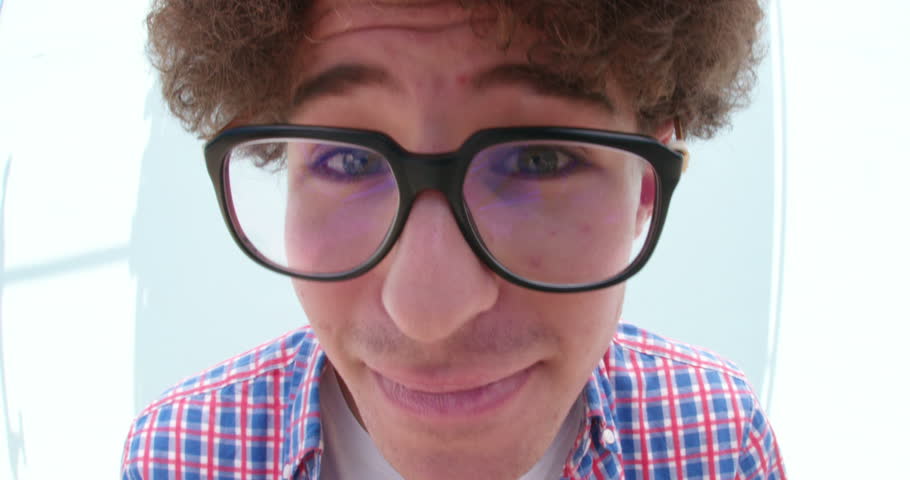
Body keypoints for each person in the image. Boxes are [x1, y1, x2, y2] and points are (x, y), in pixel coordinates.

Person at [121, 0, 786, 478]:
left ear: (645, 186)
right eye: (347, 159)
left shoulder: (718, 445)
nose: (428, 313)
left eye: (538, 158)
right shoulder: (180, 458)